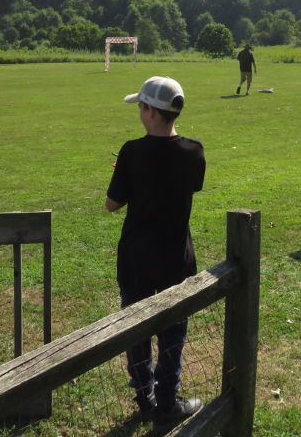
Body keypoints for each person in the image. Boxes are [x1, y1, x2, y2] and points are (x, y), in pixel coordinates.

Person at [105, 76, 206, 423]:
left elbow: (112, 204)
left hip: (136, 256)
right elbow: (186, 187)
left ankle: (143, 394)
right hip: (176, 256)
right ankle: (167, 399)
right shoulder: (195, 151)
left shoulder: (132, 152)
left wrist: (127, 171)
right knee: (173, 331)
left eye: (141, 107)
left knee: (136, 325)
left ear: (150, 111)